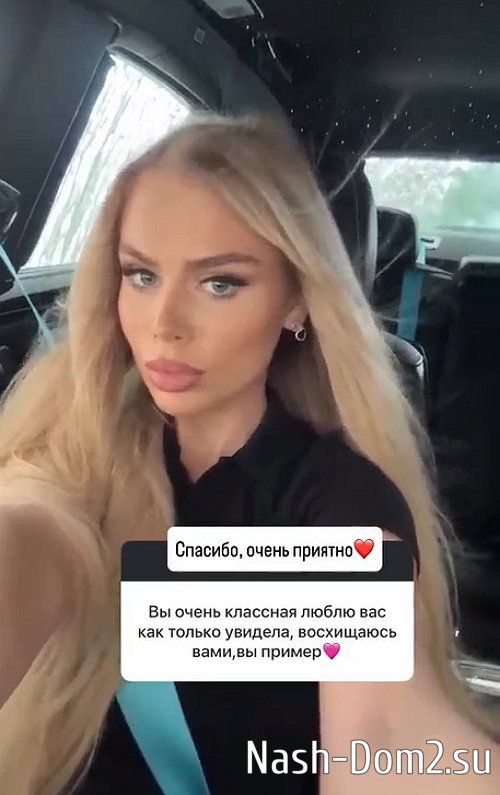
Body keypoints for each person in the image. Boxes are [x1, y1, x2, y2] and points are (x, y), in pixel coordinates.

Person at [0, 112, 498, 795]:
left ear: (295, 301)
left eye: (220, 283)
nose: (164, 324)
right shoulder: (75, 450)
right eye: (141, 275)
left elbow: (384, 731)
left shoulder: (335, 499)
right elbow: (31, 532)